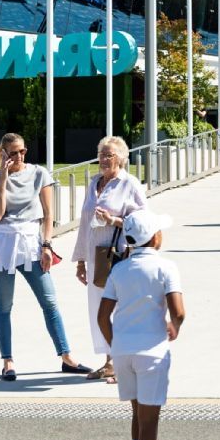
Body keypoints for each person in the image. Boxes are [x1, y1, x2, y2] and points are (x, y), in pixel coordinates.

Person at [0, 133, 90, 381]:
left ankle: (66, 356)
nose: (20, 156)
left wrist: (46, 245)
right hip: (3, 244)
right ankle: (7, 361)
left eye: (23, 151)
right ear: (3, 154)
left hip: (31, 242)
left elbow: (48, 214)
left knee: (50, 301)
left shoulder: (39, 173)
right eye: (13, 153)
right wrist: (3, 179)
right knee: (4, 305)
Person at [97, 209, 185, 440]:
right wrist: (174, 325)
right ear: (155, 238)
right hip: (152, 351)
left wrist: (116, 344)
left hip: (123, 351)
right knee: (150, 417)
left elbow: (103, 316)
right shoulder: (166, 267)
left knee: (137, 413)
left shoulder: (120, 269)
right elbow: (178, 311)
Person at [74, 136, 148, 383]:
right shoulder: (94, 182)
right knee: (99, 310)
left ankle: (121, 364)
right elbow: (84, 224)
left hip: (120, 257)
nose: (104, 160)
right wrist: (81, 261)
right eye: (102, 155)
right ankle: (109, 361)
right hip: (97, 258)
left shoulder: (130, 184)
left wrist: (114, 220)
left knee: (120, 311)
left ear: (122, 158)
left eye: (110, 155)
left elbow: (143, 225)